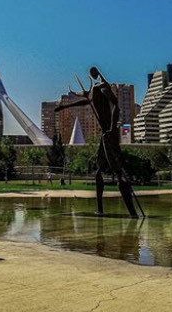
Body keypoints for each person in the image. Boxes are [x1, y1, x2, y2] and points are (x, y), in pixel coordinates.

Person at [55, 67, 139, 218]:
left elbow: (116, 106)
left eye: (92, 73)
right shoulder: (96, 90)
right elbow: (85, 102)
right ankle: (100, 209)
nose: (92, 75)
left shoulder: (102, 88)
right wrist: (65, 106)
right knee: (99, 170)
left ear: (96, 73)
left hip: (109, 133)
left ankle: (133, 213)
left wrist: (112, 127)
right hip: (104, 133)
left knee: (118, 172)